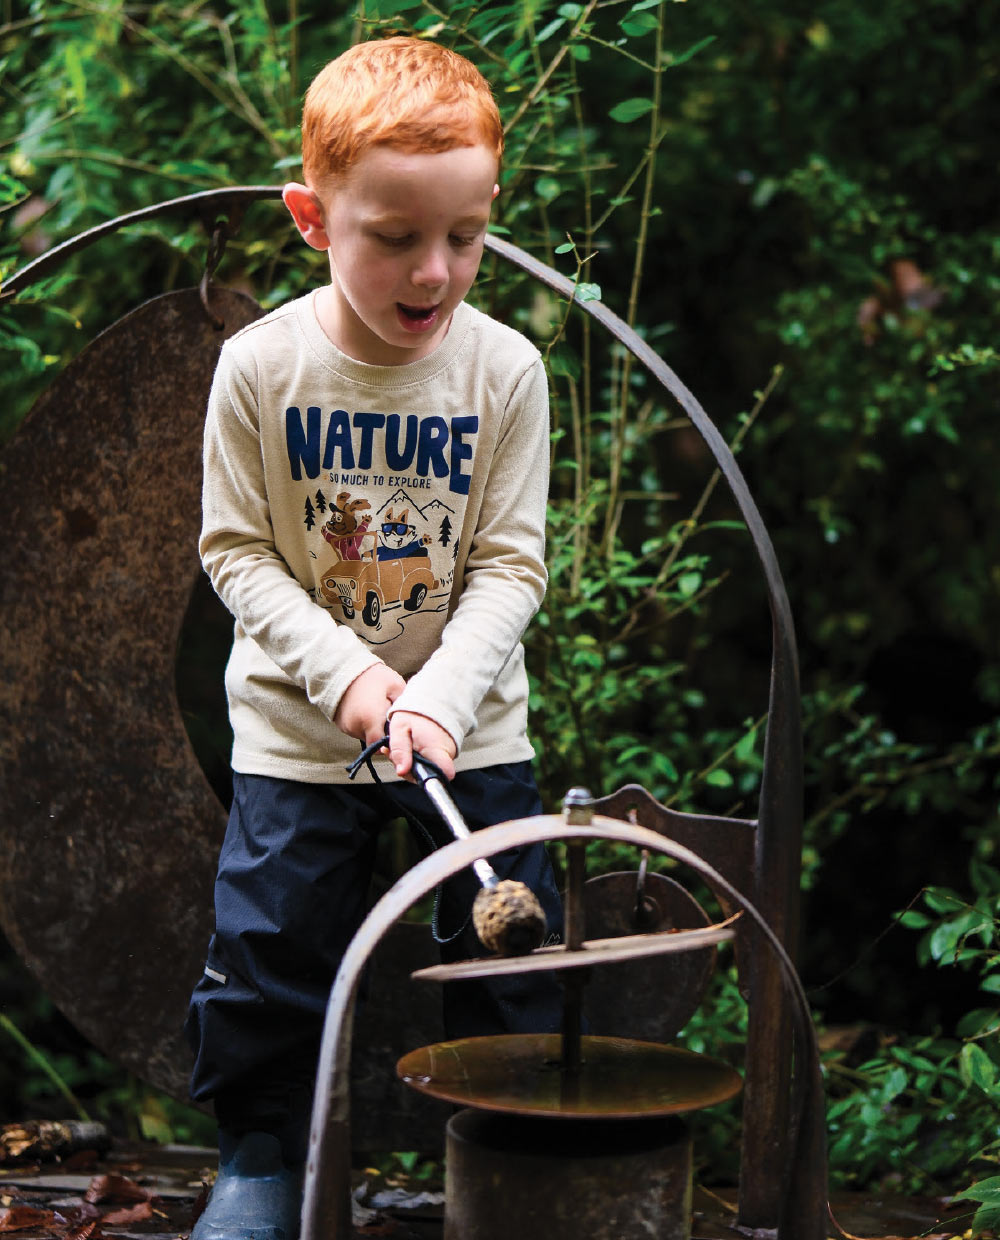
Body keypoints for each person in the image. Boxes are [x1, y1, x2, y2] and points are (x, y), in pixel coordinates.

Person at [185, 35, 564, 1240]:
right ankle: (264, 1160)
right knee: (268, 949)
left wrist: (440, 699)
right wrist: (351, 678)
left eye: (464, 235)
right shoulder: (262, 368)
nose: (434, 270)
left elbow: (510, 564)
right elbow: (236, 551)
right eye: (393, 237)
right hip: (303, 732)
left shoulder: (505, 373)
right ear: (312, 218)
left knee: (509, 943)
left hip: (469, 727)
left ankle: (512, 1167)